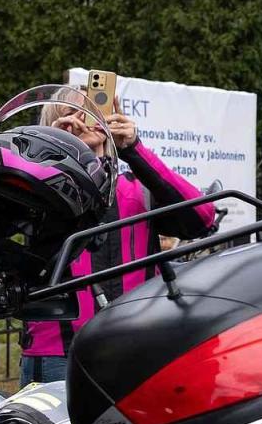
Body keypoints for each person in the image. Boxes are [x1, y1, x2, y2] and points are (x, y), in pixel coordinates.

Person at [19, 96, 216, 386]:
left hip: (137, 346)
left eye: (97, 111)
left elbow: (202, 218)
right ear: (54, 126)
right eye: (73, 112)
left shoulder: (136, 190)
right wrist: (51, 154)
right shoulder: (34, 182)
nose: (85, 118)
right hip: (58, 354)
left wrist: (133, 150)